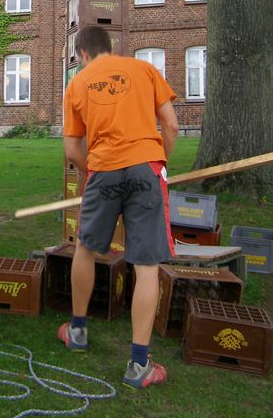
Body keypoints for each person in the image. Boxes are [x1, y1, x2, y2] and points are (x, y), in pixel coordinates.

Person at [58, 25, 178, 390]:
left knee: (86, 248)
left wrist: (92, 172)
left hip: (103, 170)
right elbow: (171, 124)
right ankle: (139, 364)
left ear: (82, 55)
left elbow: (71, 149)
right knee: (145, 265)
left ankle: (77, 331)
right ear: (110, 48)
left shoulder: (76, 84)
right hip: (147, 168)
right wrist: (158, 161)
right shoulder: (144, 69)